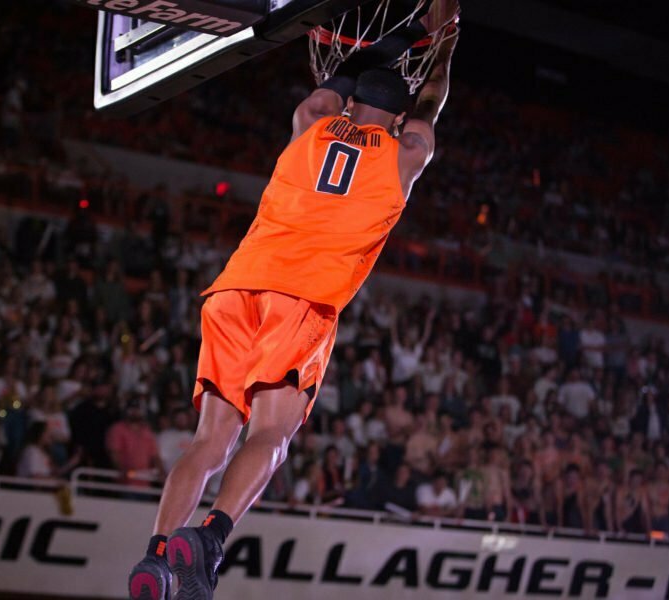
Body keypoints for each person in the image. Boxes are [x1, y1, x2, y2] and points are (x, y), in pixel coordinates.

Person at [128, 8, 462, 595]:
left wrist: (409, 33)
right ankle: (209, 538)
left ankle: (156, 554)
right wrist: (445, 40)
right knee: (272, 434)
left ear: (347, 104)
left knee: (209, 439)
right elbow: (430, 104)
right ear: (400, 120)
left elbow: (345, 78)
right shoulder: (405, 153)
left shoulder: (310, 122)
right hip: (303, 300)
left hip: (235, 287)